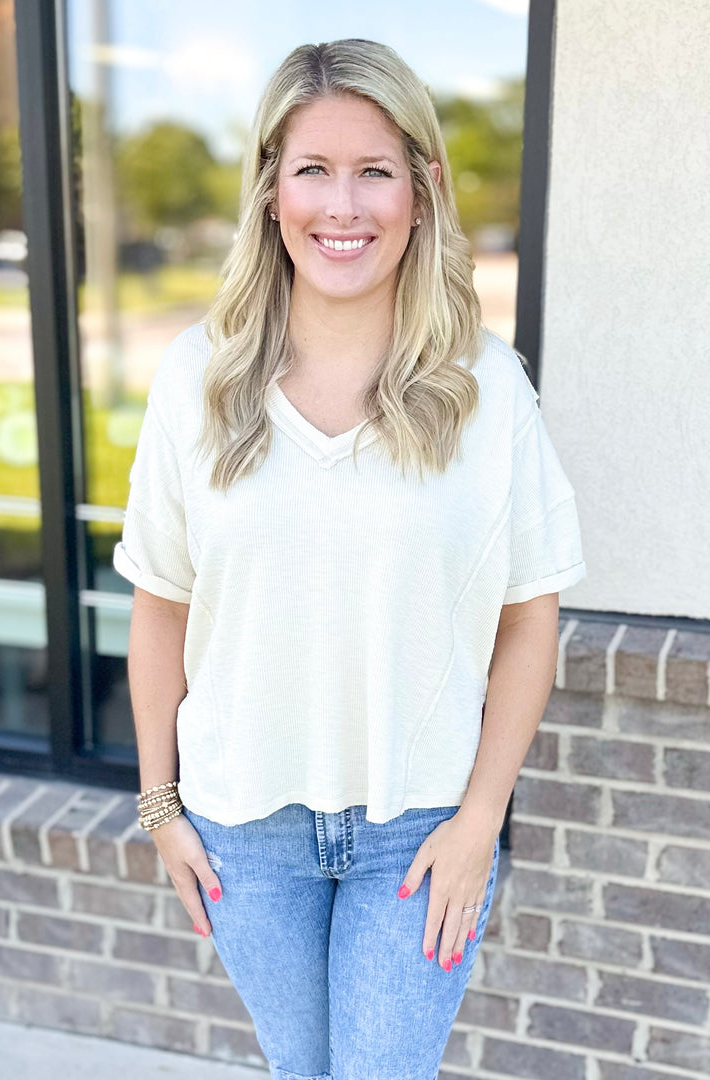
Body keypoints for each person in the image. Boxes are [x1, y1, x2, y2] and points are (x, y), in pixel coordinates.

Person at [113, 37, 586, 1080]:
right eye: (312, 169)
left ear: (421, 193)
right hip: (246, 834)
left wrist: (479, 823)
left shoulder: (483, 384)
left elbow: (528, 617)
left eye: (375, 170)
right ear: (270, 191)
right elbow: (160, 605)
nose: (344, 204)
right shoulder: (198, 379)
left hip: (418, 835)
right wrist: (160, 809)